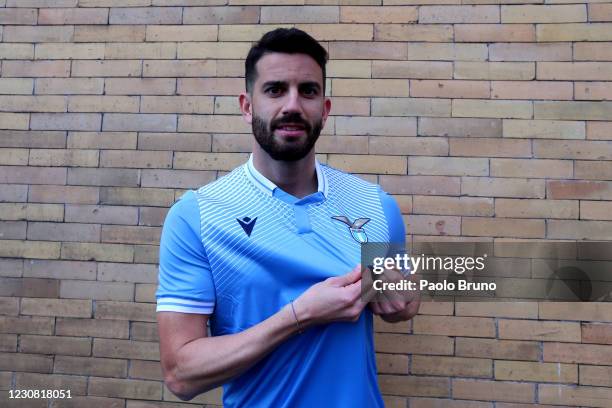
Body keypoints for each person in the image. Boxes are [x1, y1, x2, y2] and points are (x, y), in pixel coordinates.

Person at [156, 28, 420, 407]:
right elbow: (181, 375)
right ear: (247, 106)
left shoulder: (375, 206)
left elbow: (401, 301)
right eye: (276, 89)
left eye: (308, 91)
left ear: (324, 110)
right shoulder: (197, 216)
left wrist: (404, 299)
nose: (292, 105)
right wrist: (299, 316)